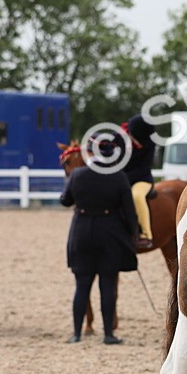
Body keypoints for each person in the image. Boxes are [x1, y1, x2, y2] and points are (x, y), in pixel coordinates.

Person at [60, 143, 139, 344]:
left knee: (82, 285)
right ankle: (108, 334)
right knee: (107, 285)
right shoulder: (119, 176)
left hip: (81, 232)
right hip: (109, 233)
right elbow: (129, 211)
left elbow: (65, 201)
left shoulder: (77, 175)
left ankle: (77, 333)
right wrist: (133, 234)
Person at [122, 114, 157, 250]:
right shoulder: (121, 138)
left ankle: (146, 234)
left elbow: (143, 169)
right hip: (122, 178)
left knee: (136, 196)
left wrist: (122, 177)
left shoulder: (149, 144)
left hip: (142, 179)